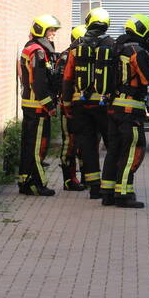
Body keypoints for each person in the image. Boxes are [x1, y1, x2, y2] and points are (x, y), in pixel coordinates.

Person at [101, 14, 149, 209]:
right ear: (141, 31)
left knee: (114, 151)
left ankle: (108, 193)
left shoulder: (116, 48)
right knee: (132, 151)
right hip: (130, 110)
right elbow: (148, 78)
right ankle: (124, 194)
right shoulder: (136, 51)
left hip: (114, 107)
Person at [61, 9, 116, 199]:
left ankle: (93, 187)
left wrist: (66, 103)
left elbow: (67, 77)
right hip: (103, 104)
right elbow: (116, 77)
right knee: (112, 144)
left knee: (87, 146)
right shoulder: (112, 44)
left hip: (80, 104)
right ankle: (111, 186)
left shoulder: (76, 46)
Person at [18, 14, 61, 196]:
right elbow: (39, 82)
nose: (53, 34)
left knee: (29, 146)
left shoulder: (32, 48)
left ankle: (25, 182)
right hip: (37, 107)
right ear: (41, 30)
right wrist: (49, 105)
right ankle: (37, 184)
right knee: (37, 147)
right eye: (51, 30)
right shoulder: (38, 51)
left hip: (31, 105)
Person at [54, 25, 89, 191]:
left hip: (83, 107)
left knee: (85, 143)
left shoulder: (84, 54)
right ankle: (69, 180)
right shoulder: (66, 56)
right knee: (70, 143)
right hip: (69, 107)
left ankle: (87, 177)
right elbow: (62, 83)